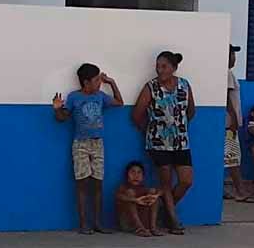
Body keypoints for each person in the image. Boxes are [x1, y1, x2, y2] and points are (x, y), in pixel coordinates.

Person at [53, 63, 124, 235]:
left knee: (97, 183)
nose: (100, 83)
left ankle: (98, 223)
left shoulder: (100, 96)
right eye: (97, 80)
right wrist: (57, 109)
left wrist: (112, 83)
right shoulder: (74, 98)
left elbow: (120, 103)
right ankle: (84, 223)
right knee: (82, 184)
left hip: (97, 143)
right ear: (86, 82)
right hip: (81, 144)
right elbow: (63, 118)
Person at [132, 51, 196, 235]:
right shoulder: (150, 87)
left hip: (181, 142)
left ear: (174, 68)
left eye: (164, 66)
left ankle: (164, 210)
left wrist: (178, 127)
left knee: (186, 181)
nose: (160, 70)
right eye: (157, 66)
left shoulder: (184, 85)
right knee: (165, 182)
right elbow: (136, 114)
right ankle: (173, 221)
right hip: (158, 143)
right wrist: (151, 131)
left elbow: (191, 111)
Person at [223, 44, 254, 202]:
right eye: (231, 54)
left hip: (226, 122)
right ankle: (240, 190)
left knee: (225, 157)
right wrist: (234, 119)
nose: (234, 58)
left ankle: (221, 189)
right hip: (229, 123)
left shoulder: (226, 74)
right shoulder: (227, 74)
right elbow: (227, 97)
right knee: (233, 157)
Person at [115, 161, 164, 237]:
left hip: (145, 224)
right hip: (129, 224)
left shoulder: (144, 188)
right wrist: (135, 200)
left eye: (139, 173)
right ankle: (140, 229)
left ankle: (153, 227)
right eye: (132, 172)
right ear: (127, 176)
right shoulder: (124, 187)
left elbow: (163, 190)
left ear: (143, 177)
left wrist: (155, 196)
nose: (136, 176)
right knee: (130, 194)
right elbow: (118, 196)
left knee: (153, 192)